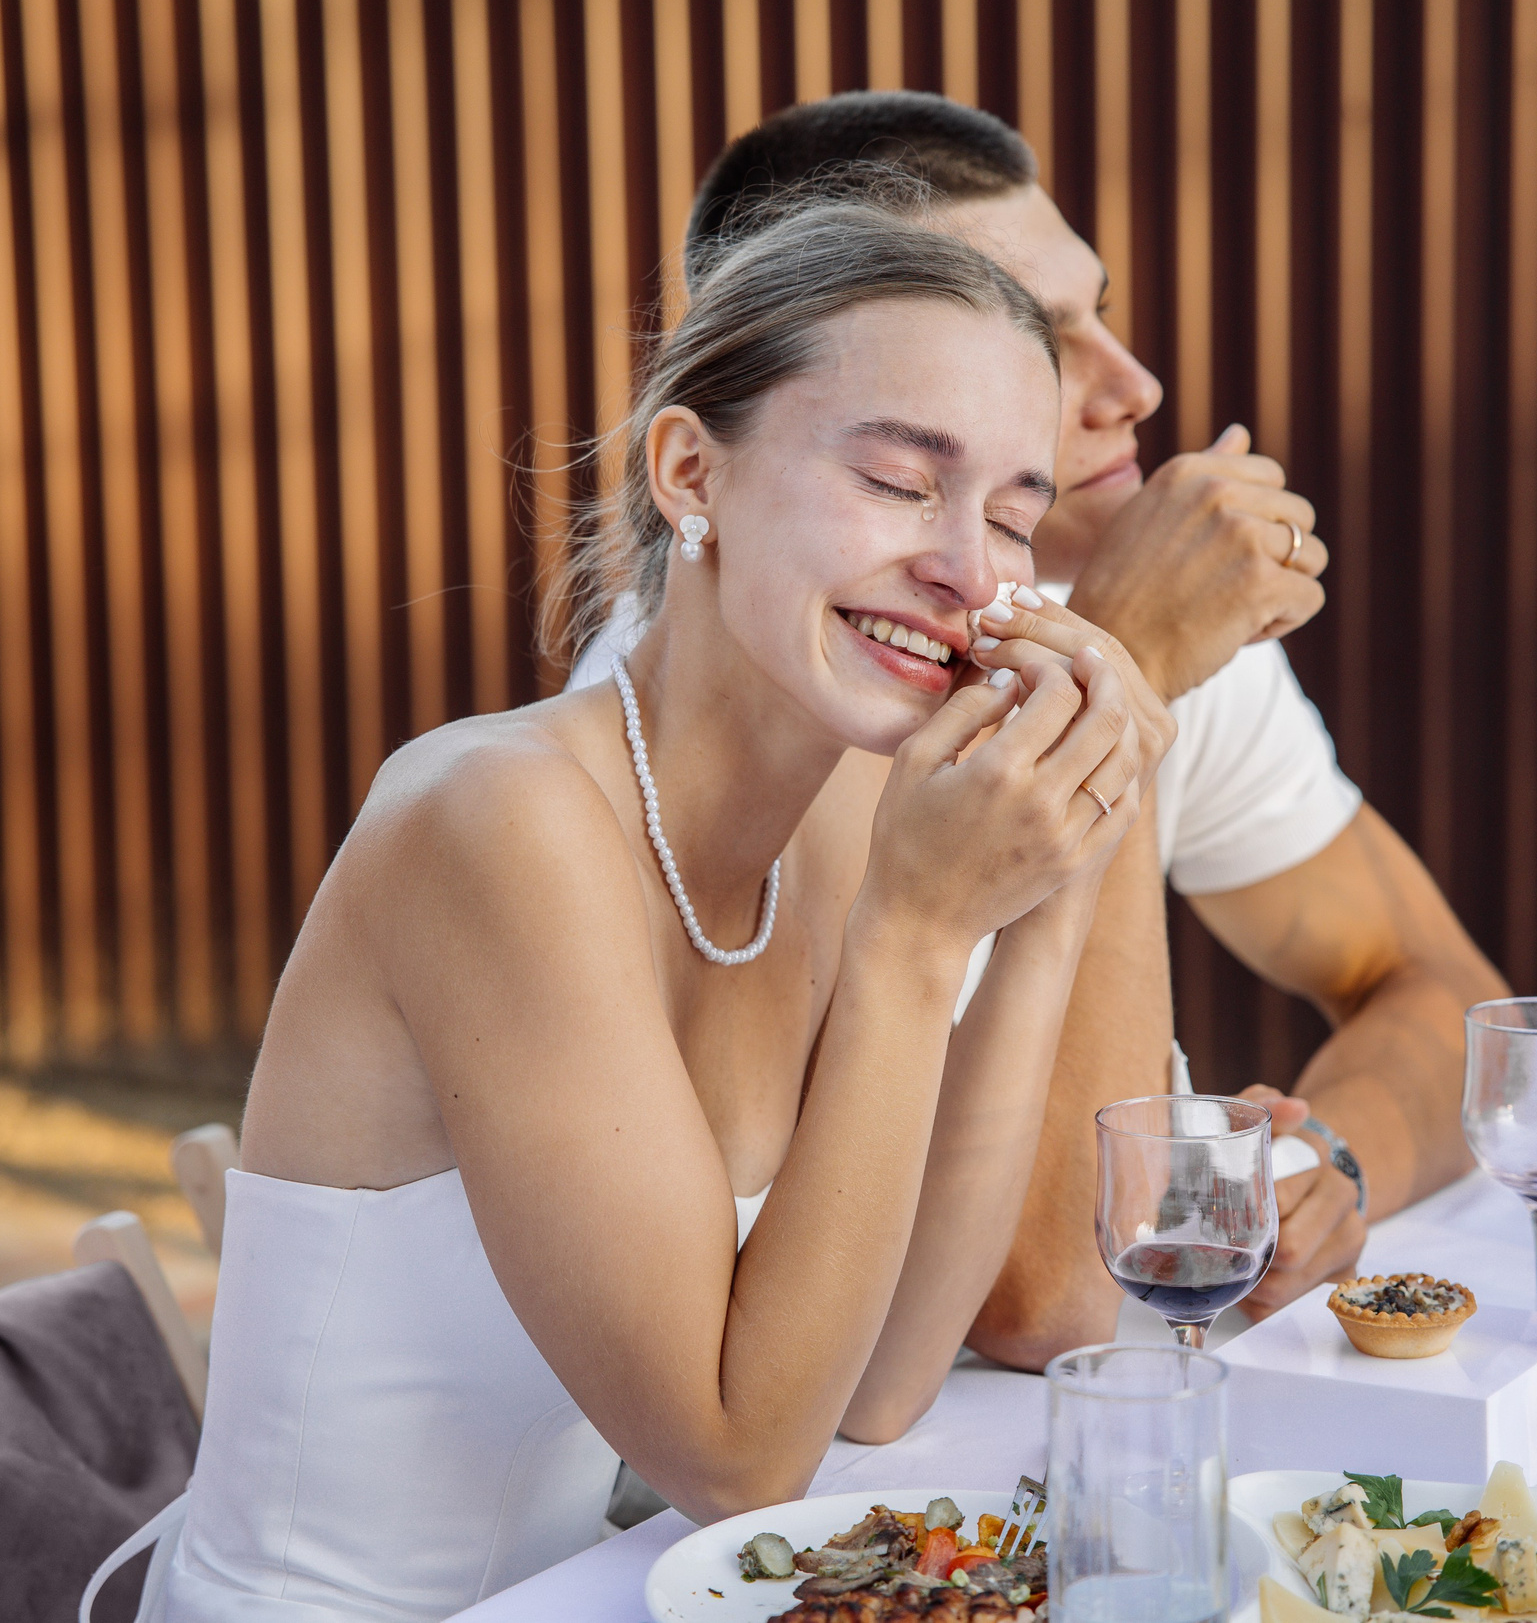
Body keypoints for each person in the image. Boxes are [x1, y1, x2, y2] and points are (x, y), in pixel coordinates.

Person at [93, 196, 1150, 1620]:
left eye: (1014, 517)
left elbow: (884, 1380)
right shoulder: (498, 821)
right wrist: (915, 937)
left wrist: (1055, 889)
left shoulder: (848, 814)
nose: (971, 570)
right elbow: (738, 1457)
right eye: (902, 481)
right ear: (688, 470)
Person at [578, 93, 1509, 1369]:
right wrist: (1124, 671)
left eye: (1096, 312)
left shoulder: (1080, 612)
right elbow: (1043, 1296)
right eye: (1037, 330)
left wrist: (1321, 1162)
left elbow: (1448, 998)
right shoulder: (789, 684)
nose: (1133, 385)